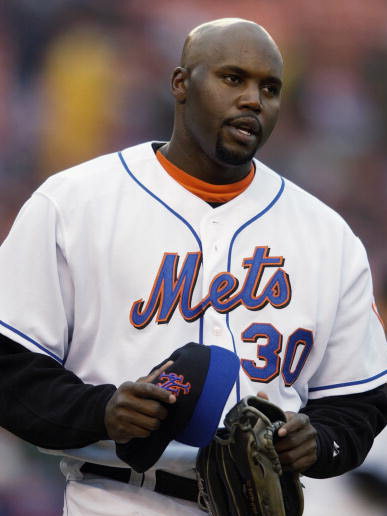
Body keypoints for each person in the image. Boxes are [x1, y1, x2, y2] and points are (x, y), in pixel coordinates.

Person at [0, 17, 386, 516]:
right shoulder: (75, 203)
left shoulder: (327, 236)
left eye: (269, 88)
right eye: (233, 78)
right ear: (181, 84)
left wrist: (322, 440)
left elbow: (361, 398)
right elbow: (10, 364)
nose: (253, 99)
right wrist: (99, 412)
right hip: (117, 497)